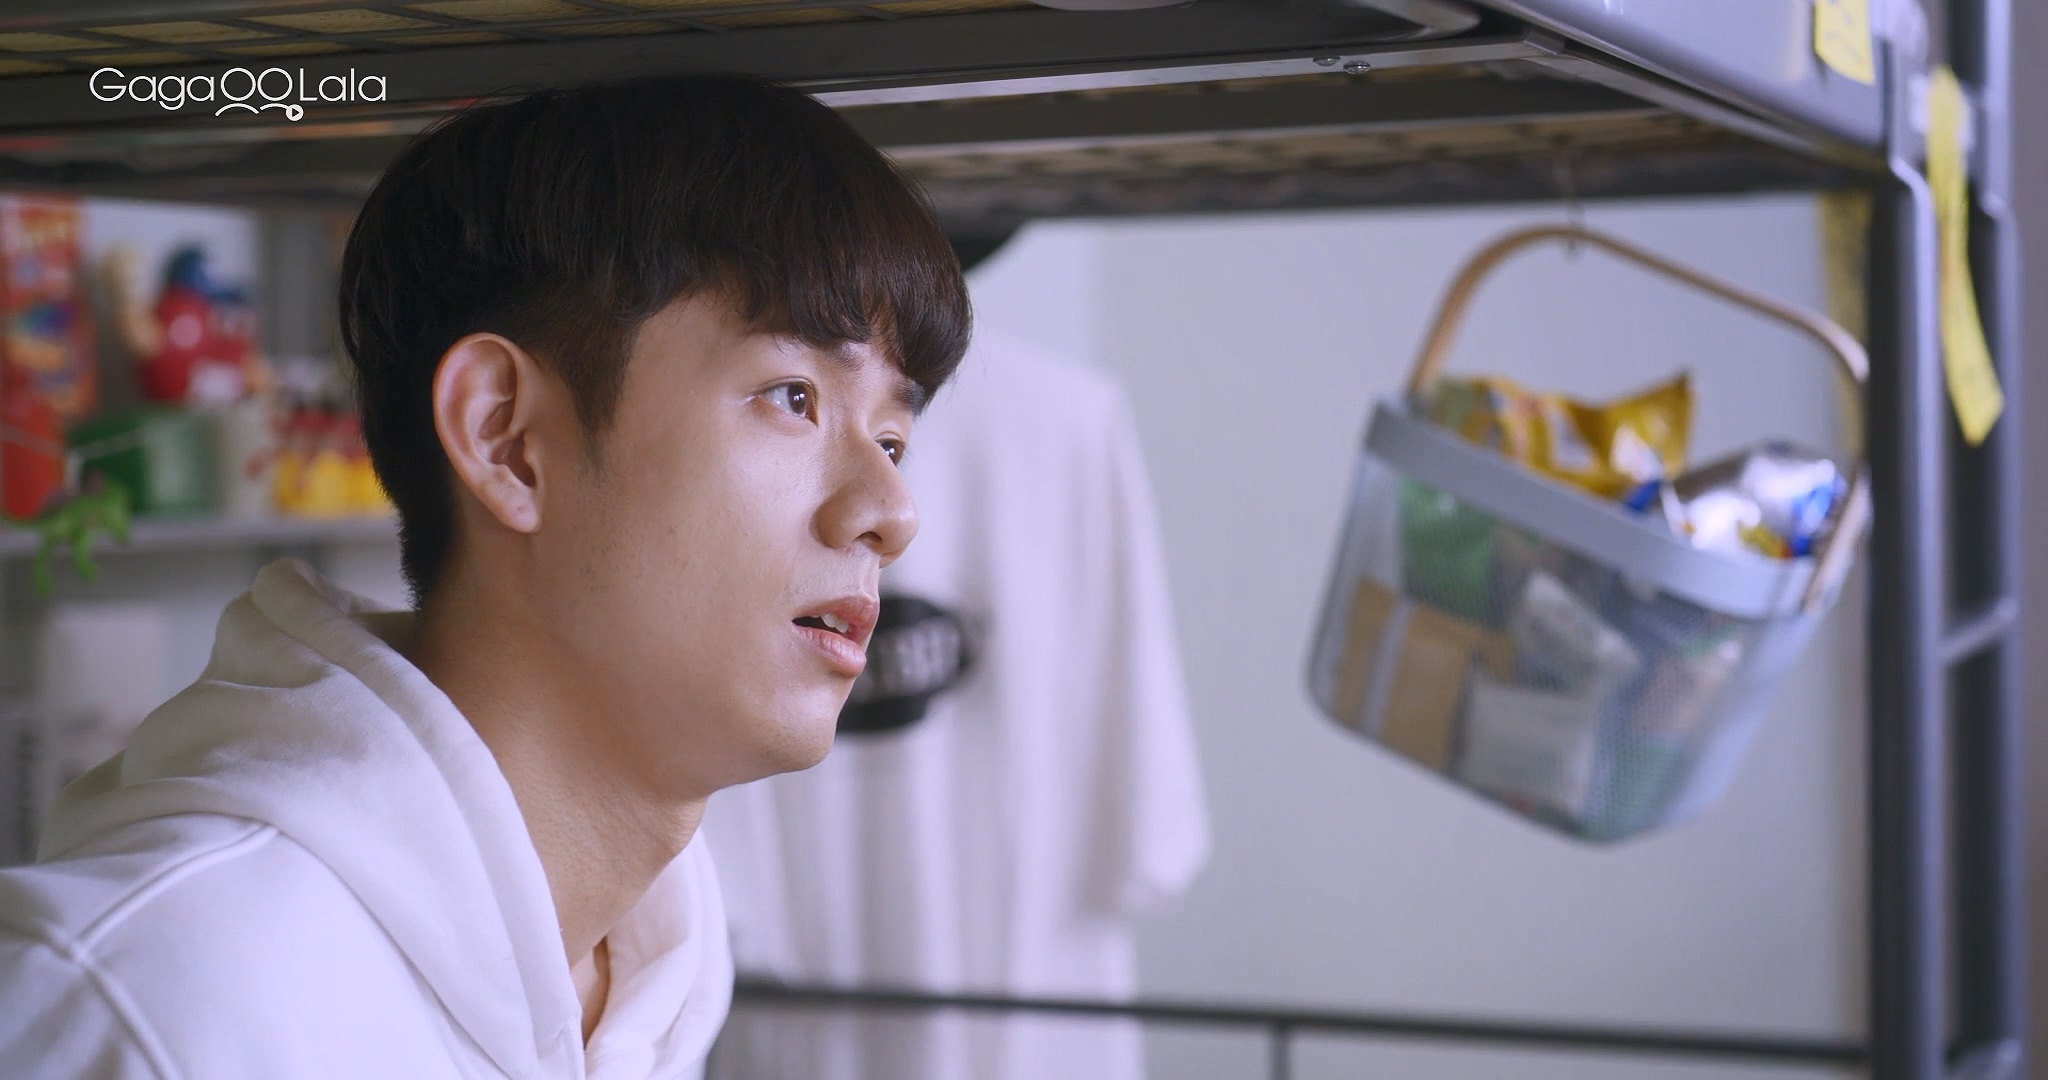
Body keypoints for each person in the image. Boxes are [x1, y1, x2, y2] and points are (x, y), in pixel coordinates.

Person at [0, 73, 970, 1079]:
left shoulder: (656, 970)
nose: (891, 513)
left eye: (891, 439)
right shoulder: (155, 1002)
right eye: (792, 396)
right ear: (507, 439)